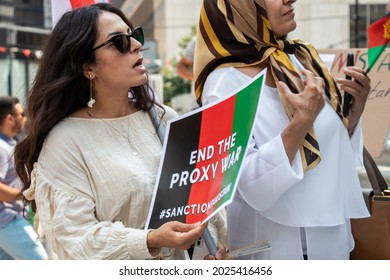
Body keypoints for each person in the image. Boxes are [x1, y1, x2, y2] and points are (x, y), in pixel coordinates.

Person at [14, 3, 226, 260]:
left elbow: (202, 204)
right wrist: (149, 240)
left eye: (134, 35)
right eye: (119, 42)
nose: (136, 45)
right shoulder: (64, 141)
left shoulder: (164, 118)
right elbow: (74, 238)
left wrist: (208, 249)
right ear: (87, 67)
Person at [194, 0, 371, 260]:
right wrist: (300, 122)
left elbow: (328, 156)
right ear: (241, 8)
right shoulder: (224, 83)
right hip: (276, 253)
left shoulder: (298, 61)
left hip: (332, 246)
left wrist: (353, 116)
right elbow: (249, 186)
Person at [0, 96, 48, 260]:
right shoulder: (1, 147)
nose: (25, 118)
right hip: (7, 220)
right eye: (21, 114)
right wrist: (27, 194)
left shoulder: (9, 144)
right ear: (9, 118)